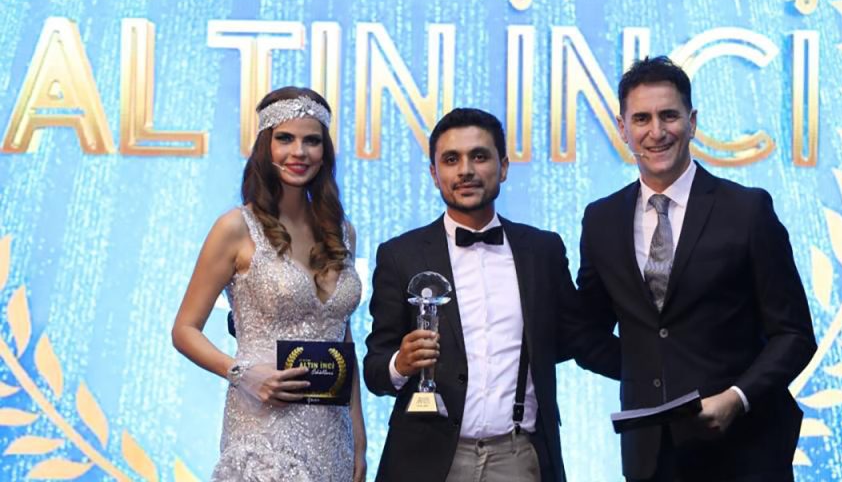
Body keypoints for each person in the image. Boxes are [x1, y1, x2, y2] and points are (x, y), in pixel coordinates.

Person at [576, 57, 817, 481]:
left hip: (746, 450)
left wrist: (737, 397)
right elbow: (588, 334)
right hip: (651, 458)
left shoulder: (747, 210)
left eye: (669, 116)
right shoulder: (601, 220)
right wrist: (652, 373)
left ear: (692, 122)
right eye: (642, 118)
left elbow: (794, 336)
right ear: (622, 128)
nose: (656, 131)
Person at [363, 108, 619, 482]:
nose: (465, 170)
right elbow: (375, 370)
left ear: (504, 167)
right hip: (426, 458)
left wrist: (663, 371)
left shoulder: (542, 251)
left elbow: (581, 340)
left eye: (479, 156)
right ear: (434, 173)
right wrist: (400, 364)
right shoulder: (400, 255)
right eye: (451, 159)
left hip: (517, 456)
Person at [172, 87, 367, 482]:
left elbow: (343, 341)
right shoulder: (236, 227)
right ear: (265, 146)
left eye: (312, 141)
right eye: (285, 138)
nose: (299, 152)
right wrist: (242, 373)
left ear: (325, 152)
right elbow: (184, 330)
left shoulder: (342, 232)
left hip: (333, 434)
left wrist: (359, 439)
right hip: (262, 427)